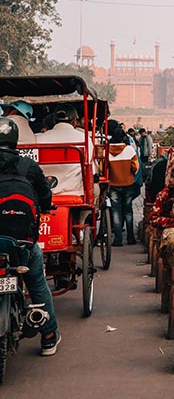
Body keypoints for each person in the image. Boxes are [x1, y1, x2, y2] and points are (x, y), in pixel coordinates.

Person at [0, 117, 60, 355]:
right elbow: (46, 199)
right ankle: (48, 336)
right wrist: (45, 206)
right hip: (22, 243)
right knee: (36, 281)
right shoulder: (28, 166)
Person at [36, 104, 93, 196]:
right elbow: (91, 169)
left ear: (54, 120)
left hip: (44, 192)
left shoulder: (38, 139)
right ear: (74, 121)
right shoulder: (84, 139)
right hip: (75, 192)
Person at [107, 128, 140, 246]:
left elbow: (102, 168)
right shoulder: (129, 150)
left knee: (116, 212)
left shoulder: (106, 151)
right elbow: (135, 167)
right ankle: (130, 238)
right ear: (124, 138)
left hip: (113, 185)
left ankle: (117, 240)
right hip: (128, 184)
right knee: (128, 211)